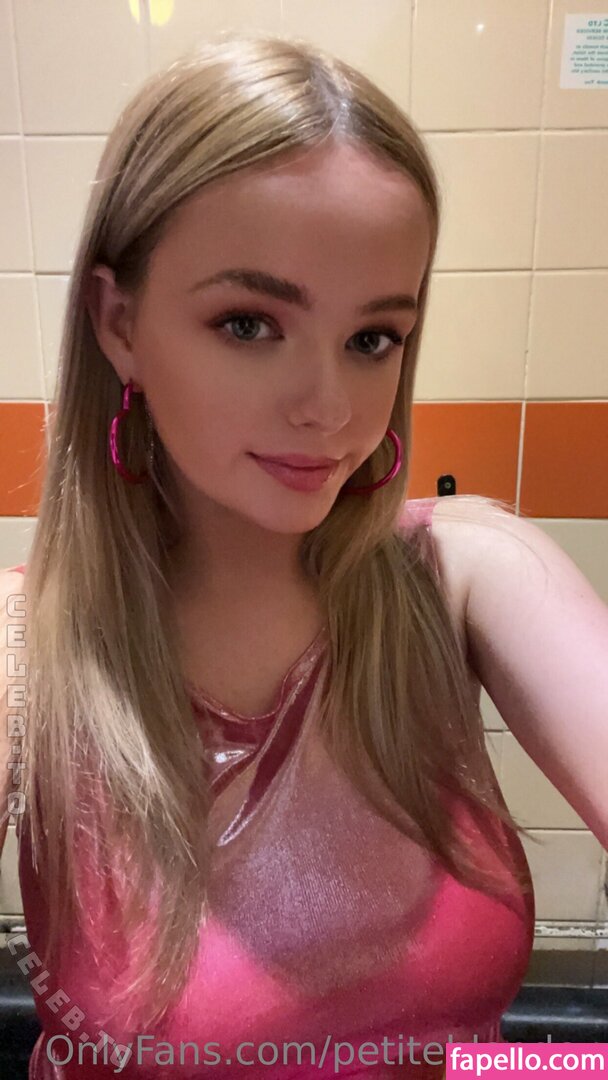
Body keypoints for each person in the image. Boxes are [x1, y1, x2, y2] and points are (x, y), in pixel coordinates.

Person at [1, 31, 539, 1079]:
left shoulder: (467, 577)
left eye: (372, 339)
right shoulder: (32, 651)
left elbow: (468, 1057)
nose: (328, 409)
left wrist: (557, 1071)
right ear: (119, 322)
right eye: (249, 324)